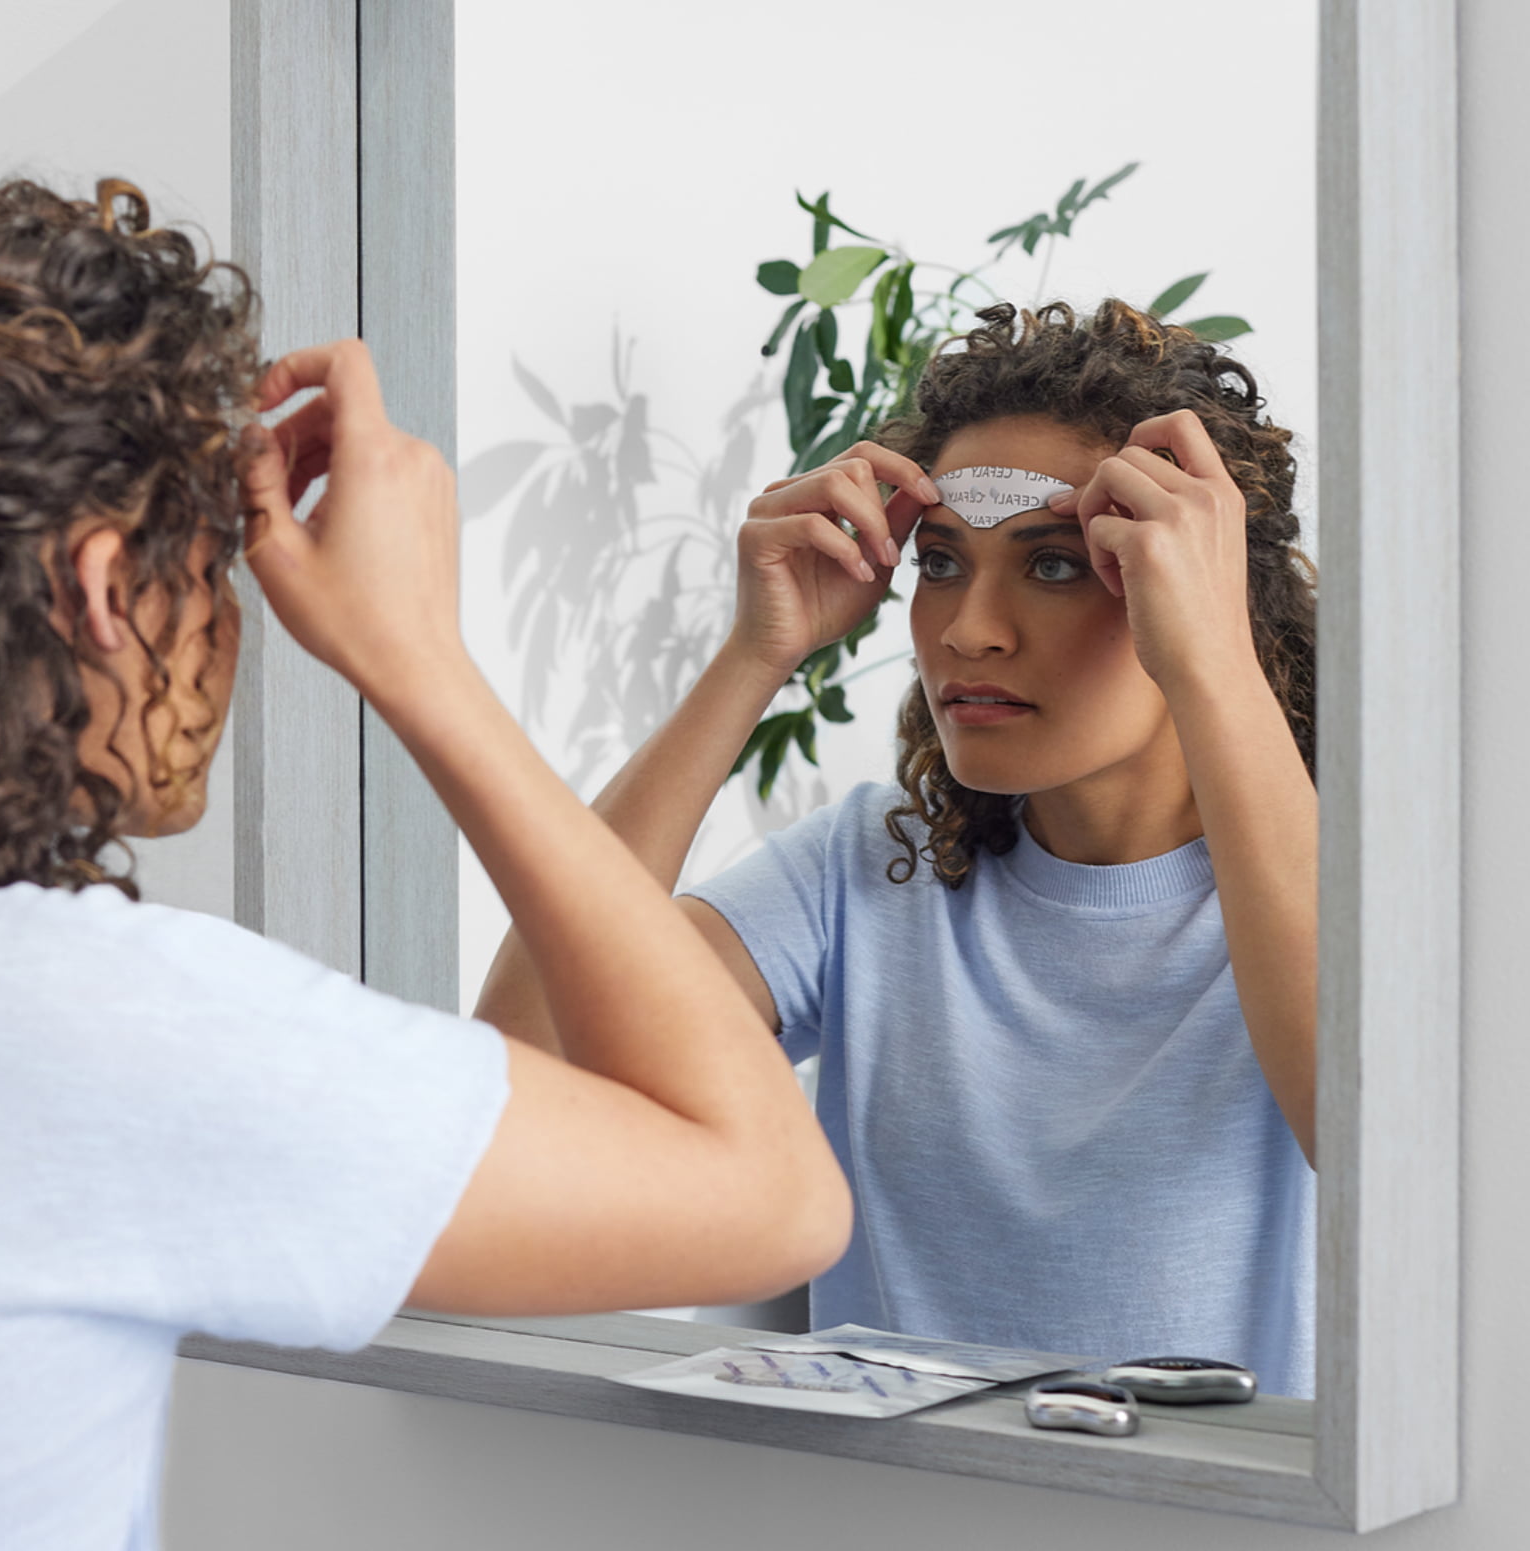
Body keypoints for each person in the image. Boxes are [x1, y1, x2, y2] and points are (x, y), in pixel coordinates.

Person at [0, 177, 850, 1549]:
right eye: (219, 564)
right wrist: (421, 661)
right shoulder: (63, 1024)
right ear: (110, 590)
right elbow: (772, 1192)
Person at [477, 299, 1318, 1398]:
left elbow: (1375, 1147)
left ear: (1201, 589)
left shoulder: (1331, 891)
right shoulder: (871, 869)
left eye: (1055, 566)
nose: (969, 628)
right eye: (941, 562)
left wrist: (1212, 662)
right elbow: (522, 1085)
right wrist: (751, 660)